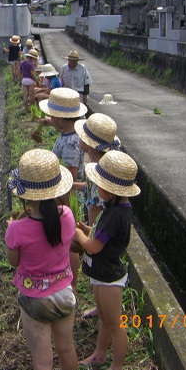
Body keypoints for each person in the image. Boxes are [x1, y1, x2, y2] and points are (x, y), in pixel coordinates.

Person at [5, 148, 78, 370]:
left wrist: (11, 228)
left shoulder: (17, 229)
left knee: (43, 361)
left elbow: (13, 262)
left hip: (35, 299)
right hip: (64, 293)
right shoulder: (66, 215)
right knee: (66, 349)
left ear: (25, 196)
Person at [73, 150, 140, 370]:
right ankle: (99, 355)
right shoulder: (116, 208)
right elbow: (102, 235)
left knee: (115, 324)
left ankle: (116, 367)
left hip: (111, 277)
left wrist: (78, 235)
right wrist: (88, 230)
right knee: (103, 319)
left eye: (99, 184)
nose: (97, 188)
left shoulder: (115, 214)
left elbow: (93, 246)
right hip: (102, 273)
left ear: (111, 190)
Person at [74, 112, 123, 319]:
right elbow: (90, 191)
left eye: (82, 137)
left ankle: (101, 307)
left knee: (98, 269)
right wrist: (74, 185)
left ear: (91, 145)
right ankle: (100, 306)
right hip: (99, 230)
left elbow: (95, 207)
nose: (79, 139)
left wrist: (89, 233)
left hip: (99, 231)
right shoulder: (99, 165)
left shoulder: (100, 170)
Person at [39, 87, 87, 293]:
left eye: (53, 116)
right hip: (63, 194)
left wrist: (64, 205)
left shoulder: (70, 143)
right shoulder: (70, 132)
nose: (51, 118)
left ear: (60, 119)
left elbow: (70, 177)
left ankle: (73, 284)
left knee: (69, 240)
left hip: (68, 196)